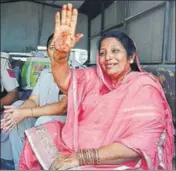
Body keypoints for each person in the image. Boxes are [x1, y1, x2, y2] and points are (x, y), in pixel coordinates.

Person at [19, 3, 174, 170]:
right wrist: (60, 57)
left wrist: (81, 158)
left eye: (115, 51)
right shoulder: (94, 77)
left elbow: (142, 141)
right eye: (102, 53)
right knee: (39, 136)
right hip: (80, 144)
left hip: (116, 158)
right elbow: (65, 82)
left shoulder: (144, 86)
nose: (108, 57)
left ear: (131, 57)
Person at [1, 34, 67, 169]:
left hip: (62, 124)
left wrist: (28, 112)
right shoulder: (45, 74)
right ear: (48, 51)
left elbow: (62, 107)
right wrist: (19, 112)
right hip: (41, 118)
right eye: (52, 47)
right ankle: (22, 165)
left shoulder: (75, 74)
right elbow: (33, 100)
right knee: (16, 110)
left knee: (44, 120)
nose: (56, 51)